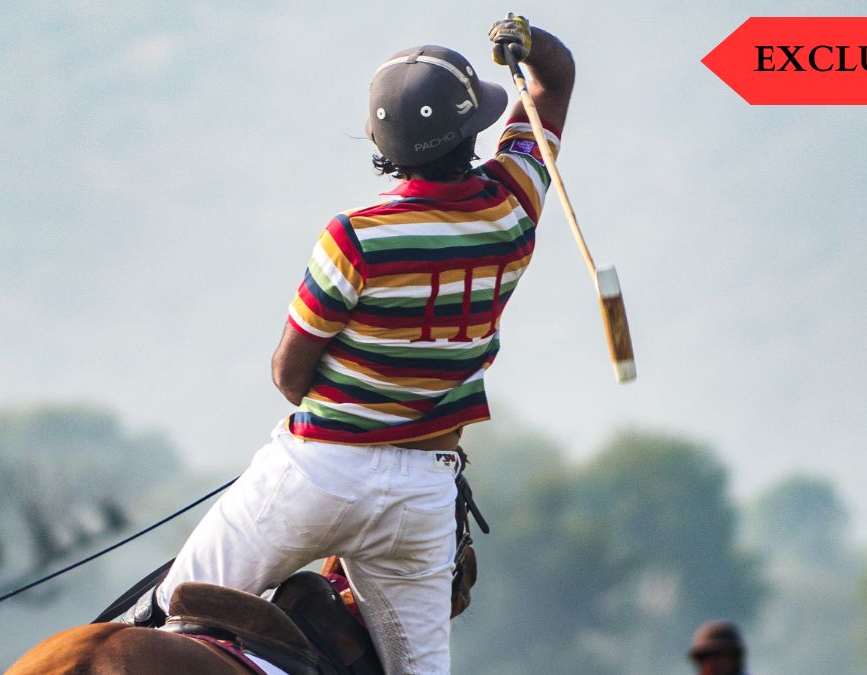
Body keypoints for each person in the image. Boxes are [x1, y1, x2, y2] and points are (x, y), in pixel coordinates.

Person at [121, 14, 575, 675]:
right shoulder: (514, 207)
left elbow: (288, 372)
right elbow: (554, 83)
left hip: (317, 472)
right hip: (421, 494)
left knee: (168, 619)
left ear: (382, 142)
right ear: (472, 131)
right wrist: (528, 44)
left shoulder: (355, 235)